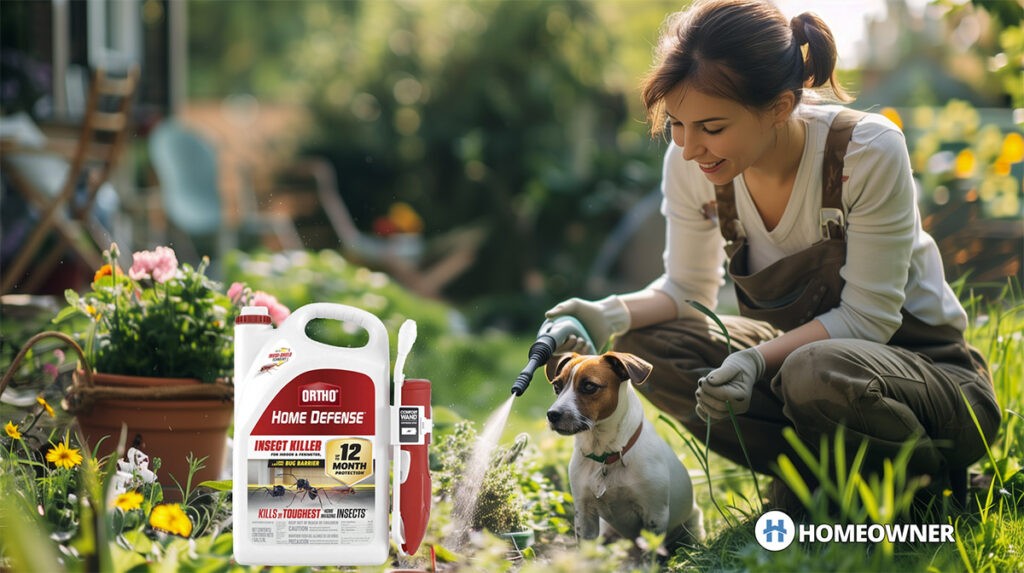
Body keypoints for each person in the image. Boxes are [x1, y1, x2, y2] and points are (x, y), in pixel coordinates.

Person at [545, 0, 1000, 509]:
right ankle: (810, 484)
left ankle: (928, 489)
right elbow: (687, 290)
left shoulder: (865, 151)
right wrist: (603, 312)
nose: (690, 147)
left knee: (813, 369)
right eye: (676, 123)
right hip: (805, 374)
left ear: (781, 108)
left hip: (931, 383)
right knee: (645, 344)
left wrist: (755, 359)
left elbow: (868, 319)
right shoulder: (692, 163)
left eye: (712, 128)